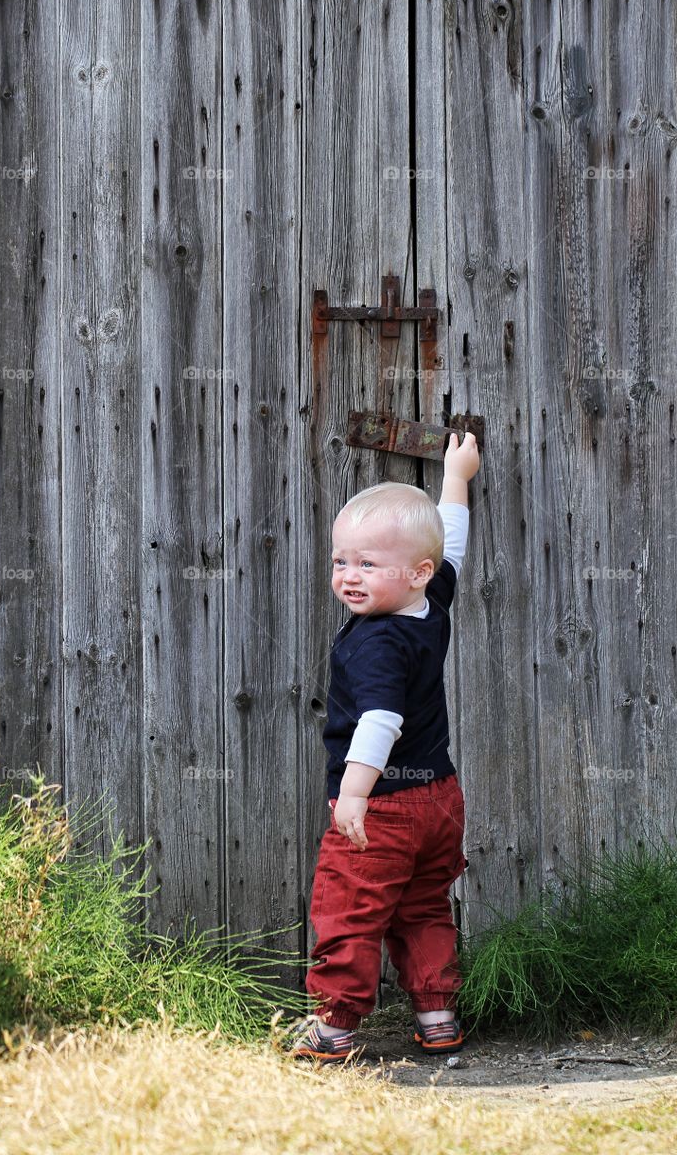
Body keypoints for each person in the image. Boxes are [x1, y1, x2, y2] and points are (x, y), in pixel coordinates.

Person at [288, 431, 481, 1062]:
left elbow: (380, 720)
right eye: (342, 560)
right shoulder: (430, 603)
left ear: (415, 573)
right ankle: (437, 1015)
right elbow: (451, 542)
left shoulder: (376, 641)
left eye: (368, 565)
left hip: (387, 805)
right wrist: (457, 477)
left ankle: (334, 1026)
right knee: (424, 907)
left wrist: (352, 794)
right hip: (440, 797)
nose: (349, 576)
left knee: (351, 907)